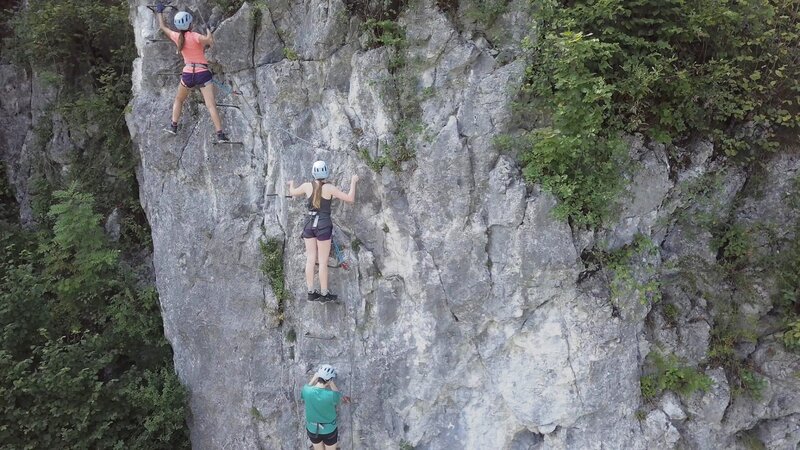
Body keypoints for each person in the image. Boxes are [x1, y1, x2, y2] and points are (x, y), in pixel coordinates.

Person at [154, 3, 229, 142]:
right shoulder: (195, 36)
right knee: (211, 105)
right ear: (190, 24)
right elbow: (210, 41)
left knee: (179, 99)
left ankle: (173, 126)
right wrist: (208, 30)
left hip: (188, 74)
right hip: (202, 73)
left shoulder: (177, 37)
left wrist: (159, 12)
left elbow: (163, 27)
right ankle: (220, 135)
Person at [288, 161, 358, 302]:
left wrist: (291, 184)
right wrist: (353, 181)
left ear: (313, 172)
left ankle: (311, 292)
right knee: (323, 261)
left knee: (310, 259)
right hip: (323, 226)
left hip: (309, 225)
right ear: (326, 172)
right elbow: (350, 199)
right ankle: (324, 294)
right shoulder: (329, 188)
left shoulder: (307, 186)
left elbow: (293, 192)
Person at [301, 365, 351, 450]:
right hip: (329, 430)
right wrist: (331, 383)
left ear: (318, 377)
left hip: (312, 429)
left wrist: (314, 378)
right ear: (329, 380)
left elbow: (306, 389)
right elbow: (338, 395)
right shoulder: (331, 395)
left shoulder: (306, 391)